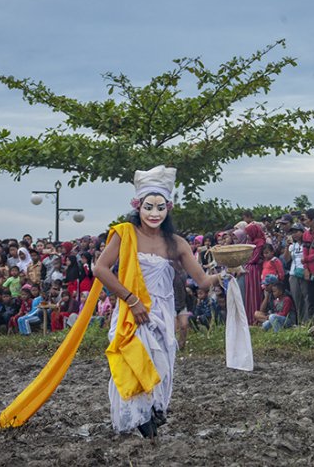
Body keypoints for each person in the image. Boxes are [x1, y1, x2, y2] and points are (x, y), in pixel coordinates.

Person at [93, 165, 222, 438]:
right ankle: (138, 420)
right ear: (137, 205)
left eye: (160, 208)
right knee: (134, 361)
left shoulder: (176, 243)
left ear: (169, 208)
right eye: (149, 207)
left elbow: (201, 280)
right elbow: (100, 269)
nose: (154, 214)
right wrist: (130, 299)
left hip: (162, 313)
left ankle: (152, 413)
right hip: (131, 311)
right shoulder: (124, 234)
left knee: (161, 364)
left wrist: (227, 274)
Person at [284, 223, 309, 325]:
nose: (294, 234)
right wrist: (287, 246)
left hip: (304, 272)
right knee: (297, 298)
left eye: (297, 232)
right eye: (292, 232)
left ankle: (307, 321)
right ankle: (300, 320)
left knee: (306, 297)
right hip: (293, 273)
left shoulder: (307, 244)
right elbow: (287, 259)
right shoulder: (292, 246)